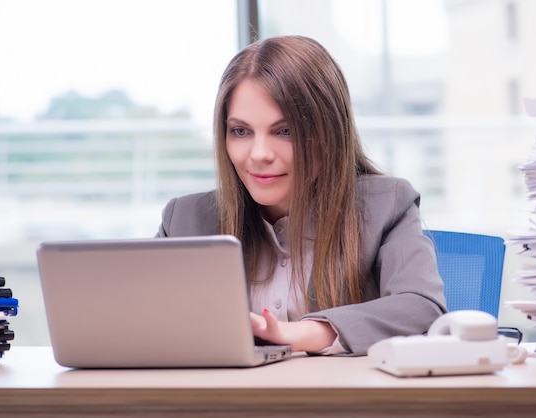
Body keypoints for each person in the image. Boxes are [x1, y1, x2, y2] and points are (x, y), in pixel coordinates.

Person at [156, 35, 447, 356]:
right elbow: (137, 317)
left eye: (285, 131)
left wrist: (304, 332)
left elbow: (421, 308)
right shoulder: (184, 218)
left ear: (329, 133)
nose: (260, 154)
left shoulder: (387, 204)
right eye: (241, 131)